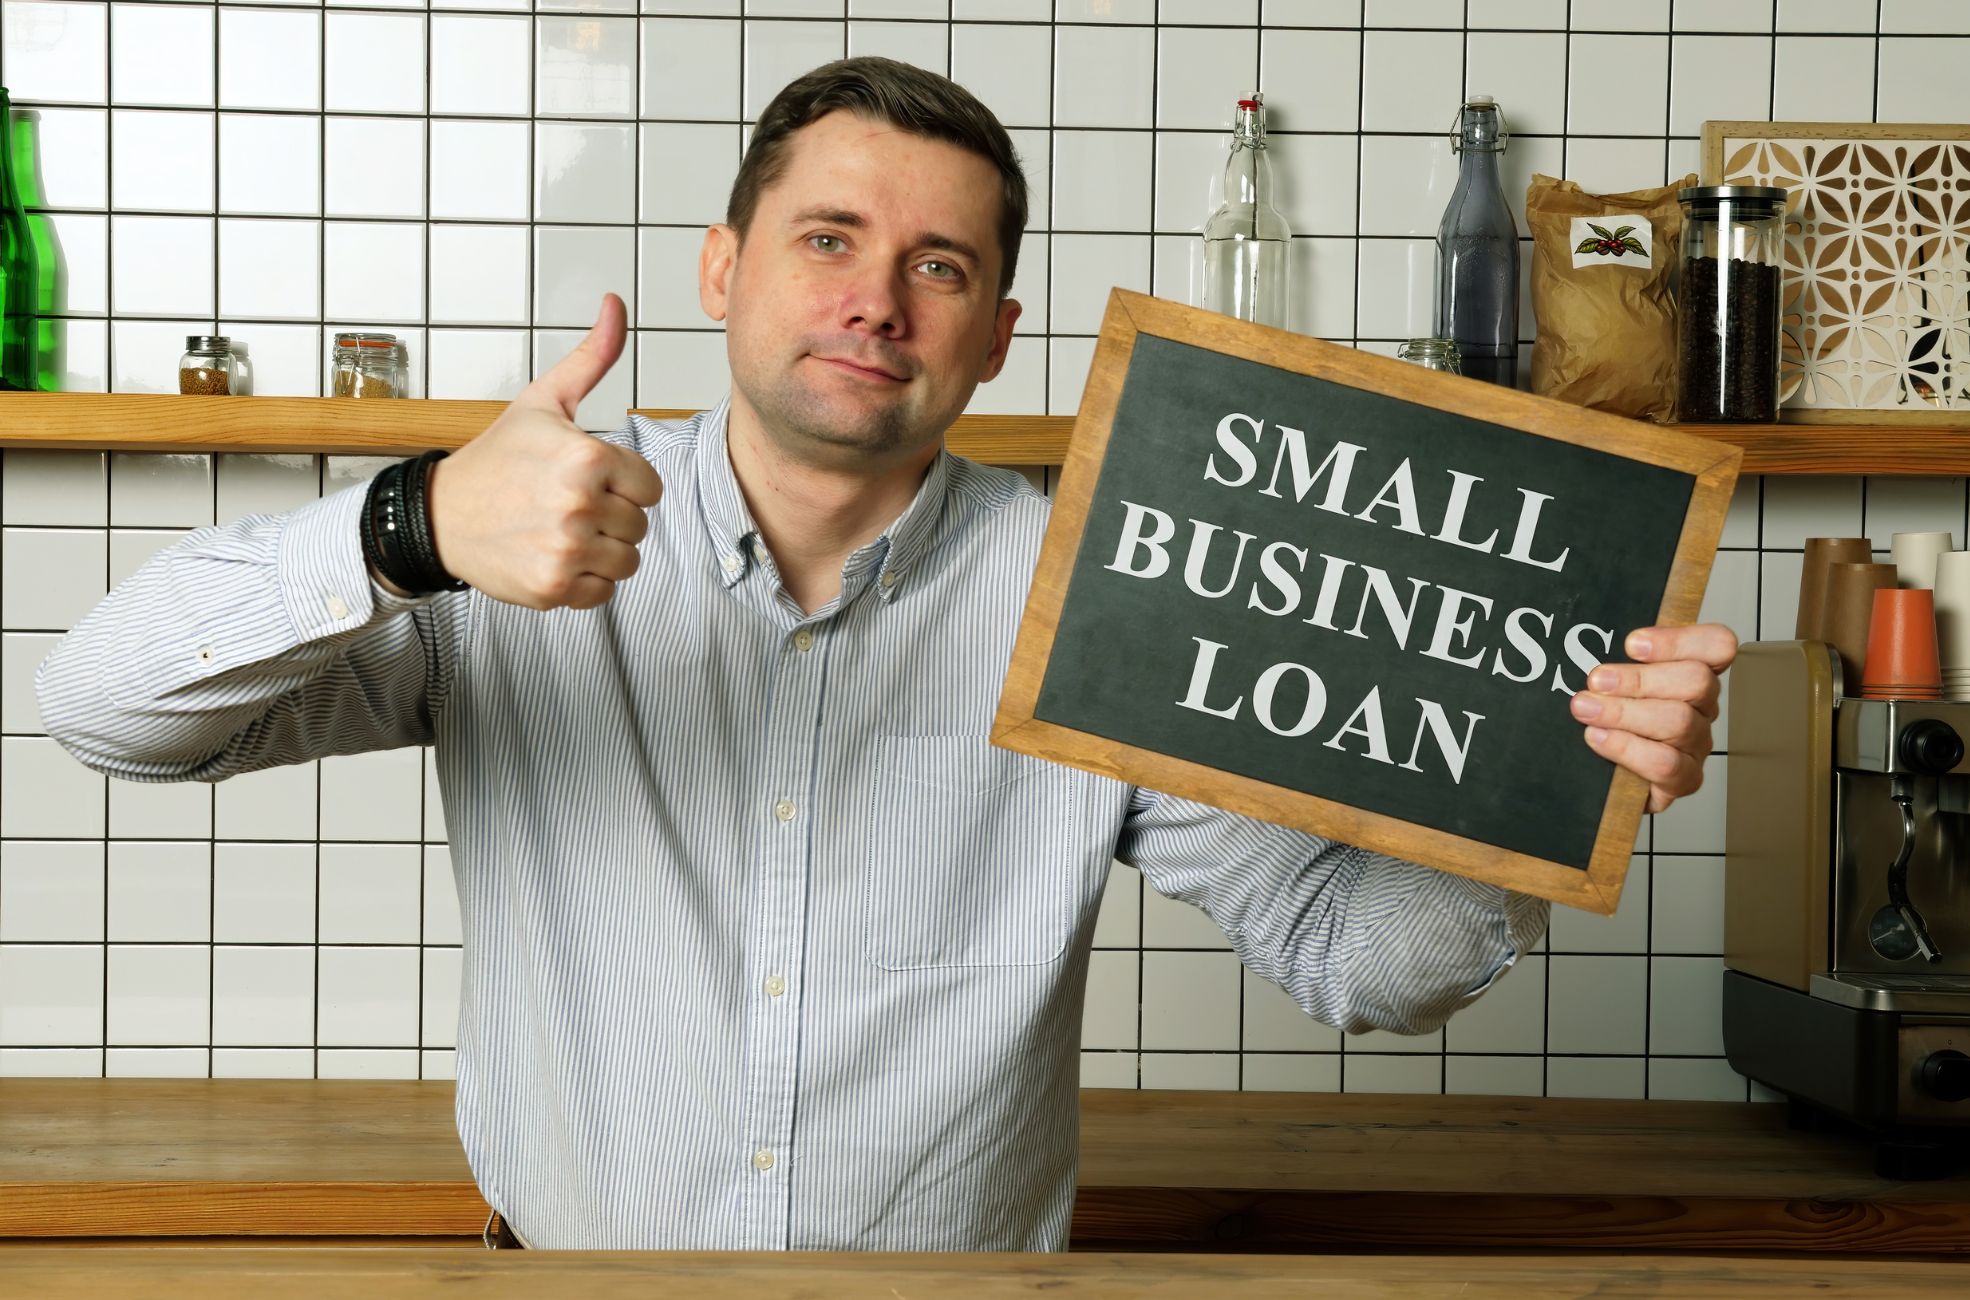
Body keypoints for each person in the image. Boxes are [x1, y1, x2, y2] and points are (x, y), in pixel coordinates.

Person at [36, 57, 1735, 1252]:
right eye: (828, 240)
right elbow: (104, 712)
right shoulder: (510, 540)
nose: (876, 302)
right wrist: (403, 525)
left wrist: (1548, 780)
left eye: (939, 266)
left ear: (994, 336)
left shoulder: (1101, 594)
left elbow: (1359, 960)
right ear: (721, 269)